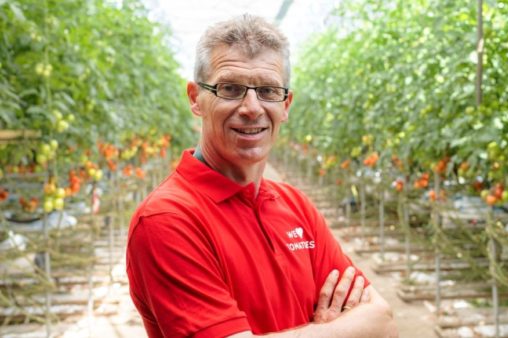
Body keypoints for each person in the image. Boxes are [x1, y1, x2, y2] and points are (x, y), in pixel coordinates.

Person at [126, 14, 398, 338]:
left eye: (268, 90)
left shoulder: (296, 206)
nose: (252, 107)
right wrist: (335, 330)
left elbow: (382, 320)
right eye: (231, 88)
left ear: (286, 104)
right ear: (195, 98)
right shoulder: (167, 219)